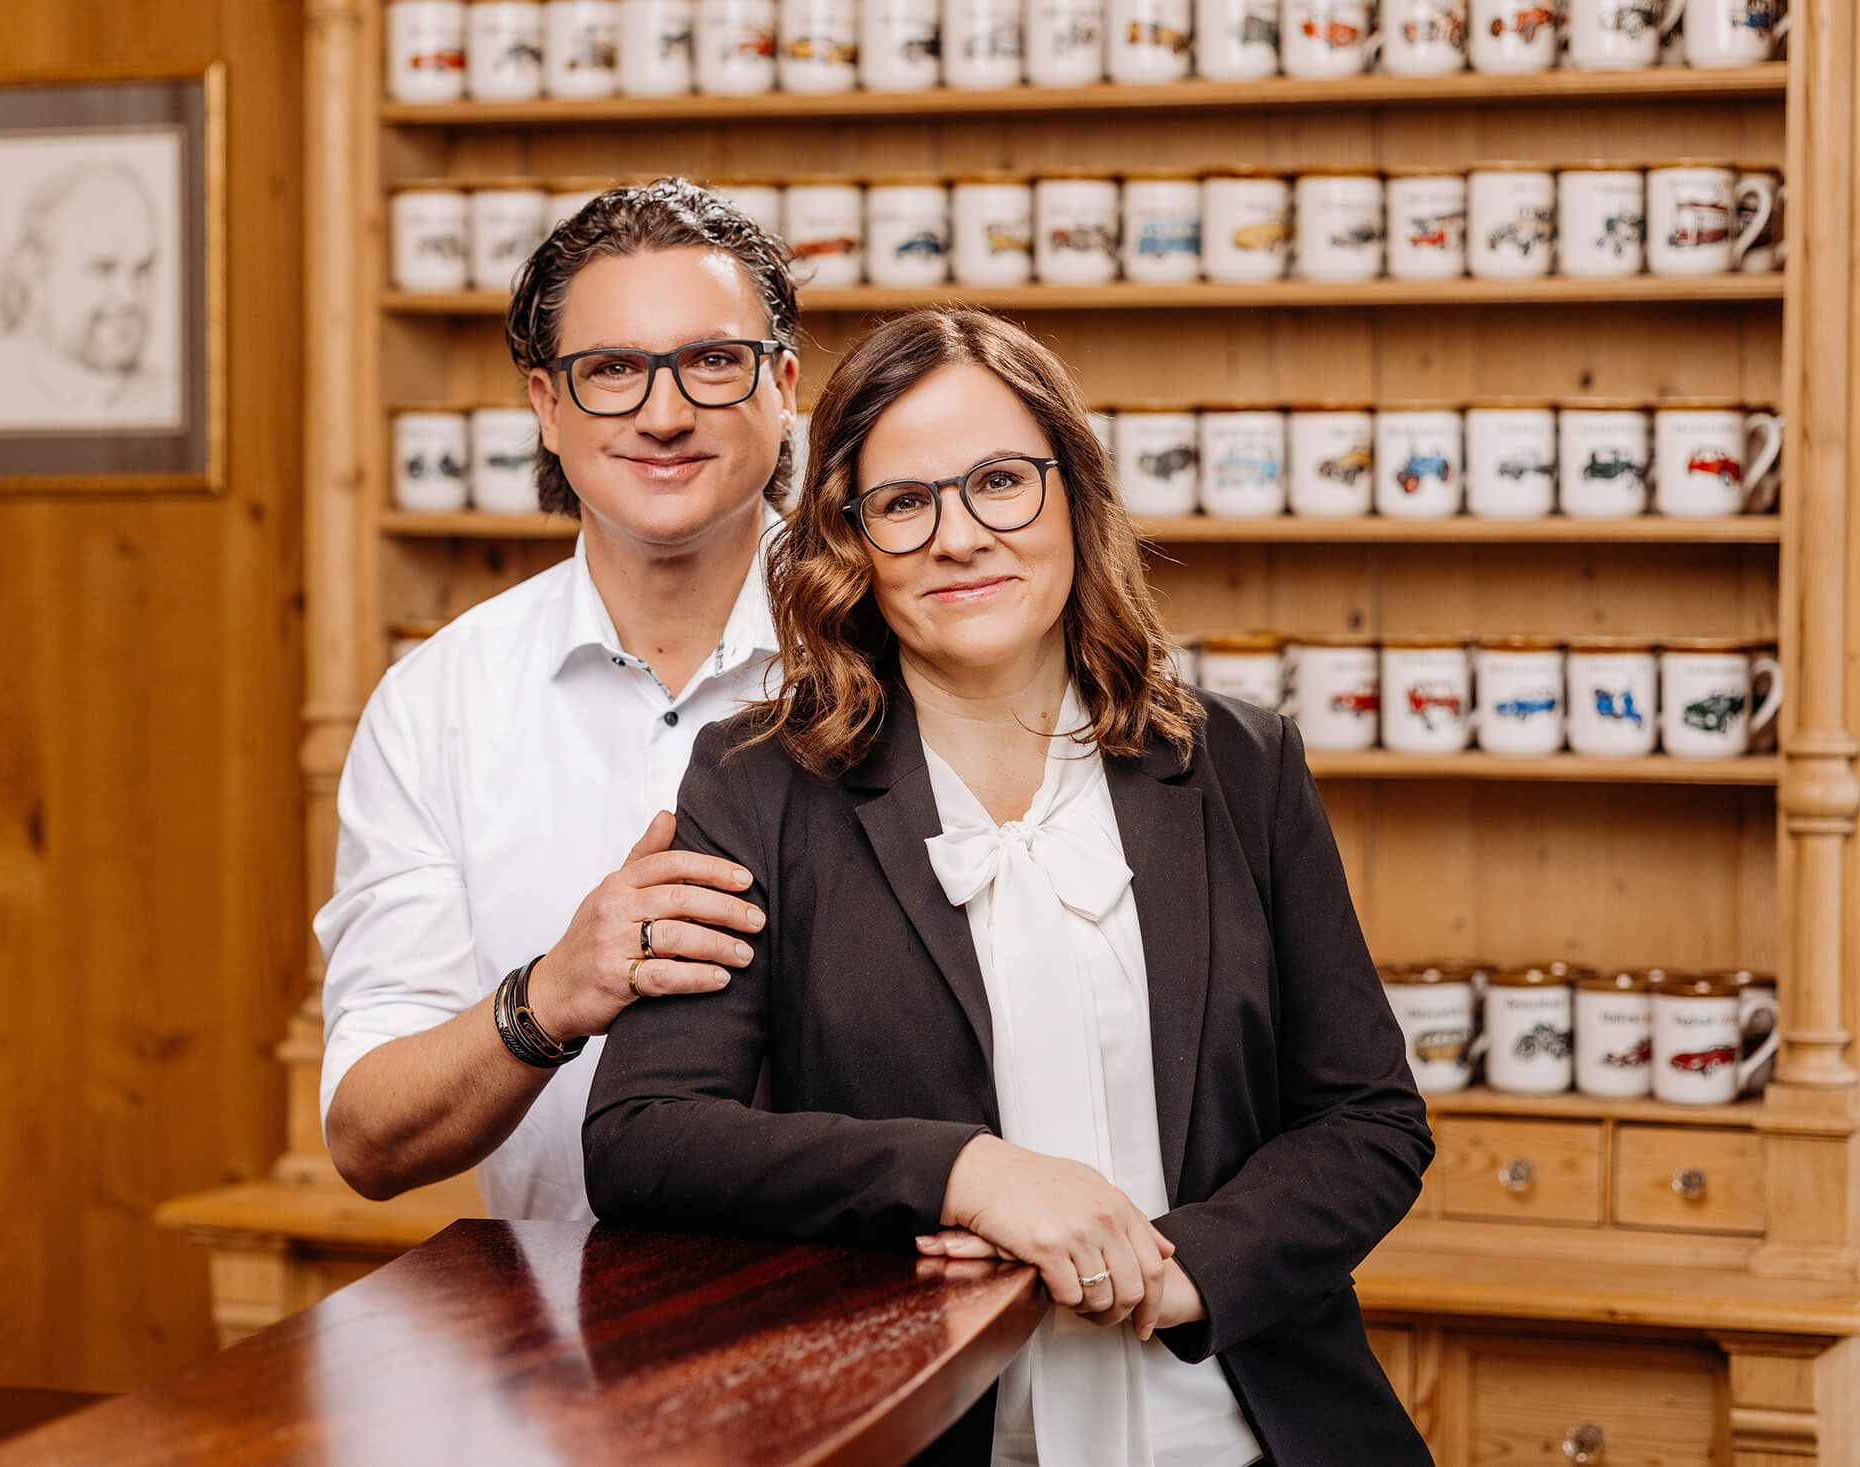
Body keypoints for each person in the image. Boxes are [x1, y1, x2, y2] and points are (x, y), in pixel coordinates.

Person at [584, 307, 1434, 1466]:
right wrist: (962, 1173)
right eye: (903, 503)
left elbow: (1367, 1119)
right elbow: (644, 1138)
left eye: (999, 483)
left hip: (1244, 1427)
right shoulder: (758, 784)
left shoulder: (1241, 764)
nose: (959, 537)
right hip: (927, 1428)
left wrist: (1182, 1273)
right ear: (849, 541)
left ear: (1074, 497)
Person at [314, 180, 799, 1218]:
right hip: (562, 1308)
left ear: (784, 386)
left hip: (895, 1293)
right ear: (546, 406)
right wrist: (550, 997)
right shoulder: (436, 703)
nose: (664, 415)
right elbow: (367, 1136)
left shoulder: (904, 650)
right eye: (611, 370)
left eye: (714, 362)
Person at [0, 159, 178, 429]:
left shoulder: (171, 400)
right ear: (36, 275)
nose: (129, 297)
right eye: (103, 269)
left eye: (143, 269)